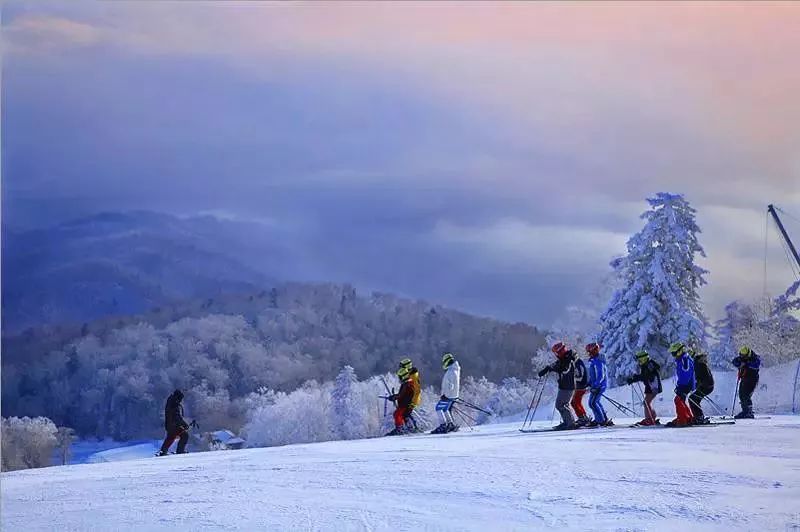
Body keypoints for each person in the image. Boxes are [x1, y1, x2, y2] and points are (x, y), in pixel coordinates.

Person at [538, 342, 576, 430]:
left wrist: (552, 368)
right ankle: (568, 422)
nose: (556, 355)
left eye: (557, 353)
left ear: (560, 351)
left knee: (561, 405)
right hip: (564, 386)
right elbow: (557, 364)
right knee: (561, 405)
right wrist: (547, 368)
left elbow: (564, 370)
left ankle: (570, 423)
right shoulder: (564, 358)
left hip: (567, 386)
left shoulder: (568, 359)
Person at [626, 350, 662, 426]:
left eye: (639, 359)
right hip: (650, 386)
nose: (638, 361)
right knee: (646, 402)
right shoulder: (646, 365)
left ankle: (649, 419)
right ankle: (651, 418)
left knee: (646, 402)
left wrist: (636, 378)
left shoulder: (649, 364)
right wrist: (634, 379)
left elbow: (648, 376)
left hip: (653, 387)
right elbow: (644, 376)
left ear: (643, 358)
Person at [666, 342, 695, 427]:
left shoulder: (684, 359)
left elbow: (686, 373)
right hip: (684, 384)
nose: (673, 355)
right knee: (680, 400)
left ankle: (682, 420)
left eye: (674, 353)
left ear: (679, 351)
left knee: (678, 400)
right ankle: (687, 417)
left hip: (686, 384)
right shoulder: (682, 359)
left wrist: (681, 386)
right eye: (672, 353)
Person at [433, 352, 461, 434]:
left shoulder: (450, 372)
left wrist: (445, 395)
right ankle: (450, 424)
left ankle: (443, 425)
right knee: (445, 409)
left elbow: (450, 386)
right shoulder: (455, 370)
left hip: (448, 395)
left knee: (438, 408)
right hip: (453, 395)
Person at [586, 342, 612, 427]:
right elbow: (593, 375)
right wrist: (589, 383)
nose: (588, 354)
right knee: (595, 402)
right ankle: (603, 418)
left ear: (594, 351)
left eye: (589, 352)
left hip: (599, 386)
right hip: (596, 385)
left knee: (593, 403)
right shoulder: (594, 361)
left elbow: (601, 375)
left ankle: (600, 421)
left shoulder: (599, 361)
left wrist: (596, 385)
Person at [386, 366, 418, 435]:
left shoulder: (407, 384)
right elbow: (402, 394)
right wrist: (394, 396)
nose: (399, 378)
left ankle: (400, 429)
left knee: (397, 414)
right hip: (406, 403)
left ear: (403, 376)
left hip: (405, 404)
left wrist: (394, 397)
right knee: (405, 415)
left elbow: (401, 394)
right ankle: (410, 427)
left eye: (400, 377)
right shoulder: (408, 383)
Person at [731, 346, 761, 419]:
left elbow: (756, 365)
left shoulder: (754, 357)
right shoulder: (742, 358)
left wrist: (746, 364)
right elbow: (734, 361)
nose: (742, 357)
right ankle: (745, 410)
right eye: (741, 355)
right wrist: (739, 364)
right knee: (741, 394)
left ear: (748, 354)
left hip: (752, 379)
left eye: (744, 356)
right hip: (744, 378)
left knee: (746, 394)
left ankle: (748, 411)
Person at [157, 389, 190, 456]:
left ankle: (163, 451)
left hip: (169, 425)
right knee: (185, 435)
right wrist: (184, 424)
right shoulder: (174, 404)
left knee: (171, 437)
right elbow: (177, 416)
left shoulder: (170, 401)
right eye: (181, 398)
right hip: (174, 425)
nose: (181, 400)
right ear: (178, 397)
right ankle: (180, 451)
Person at [689, 350, 714, 424]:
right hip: (705, 386)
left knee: (693, 399)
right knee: (693, 399)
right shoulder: (698, 364)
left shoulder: (701, 365)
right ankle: (699, 416)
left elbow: (706, 378)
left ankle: (699, 417)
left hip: (706, 387)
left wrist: (699, 385)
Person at [571, 351, 591, 427]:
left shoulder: (578, 364)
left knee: (574, 402)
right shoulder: (578, 363)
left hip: (581, 386)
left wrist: (572, 378)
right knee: (577, 402)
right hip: (580, 386)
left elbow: (580, 377)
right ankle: (583, 417)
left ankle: (582, 418)